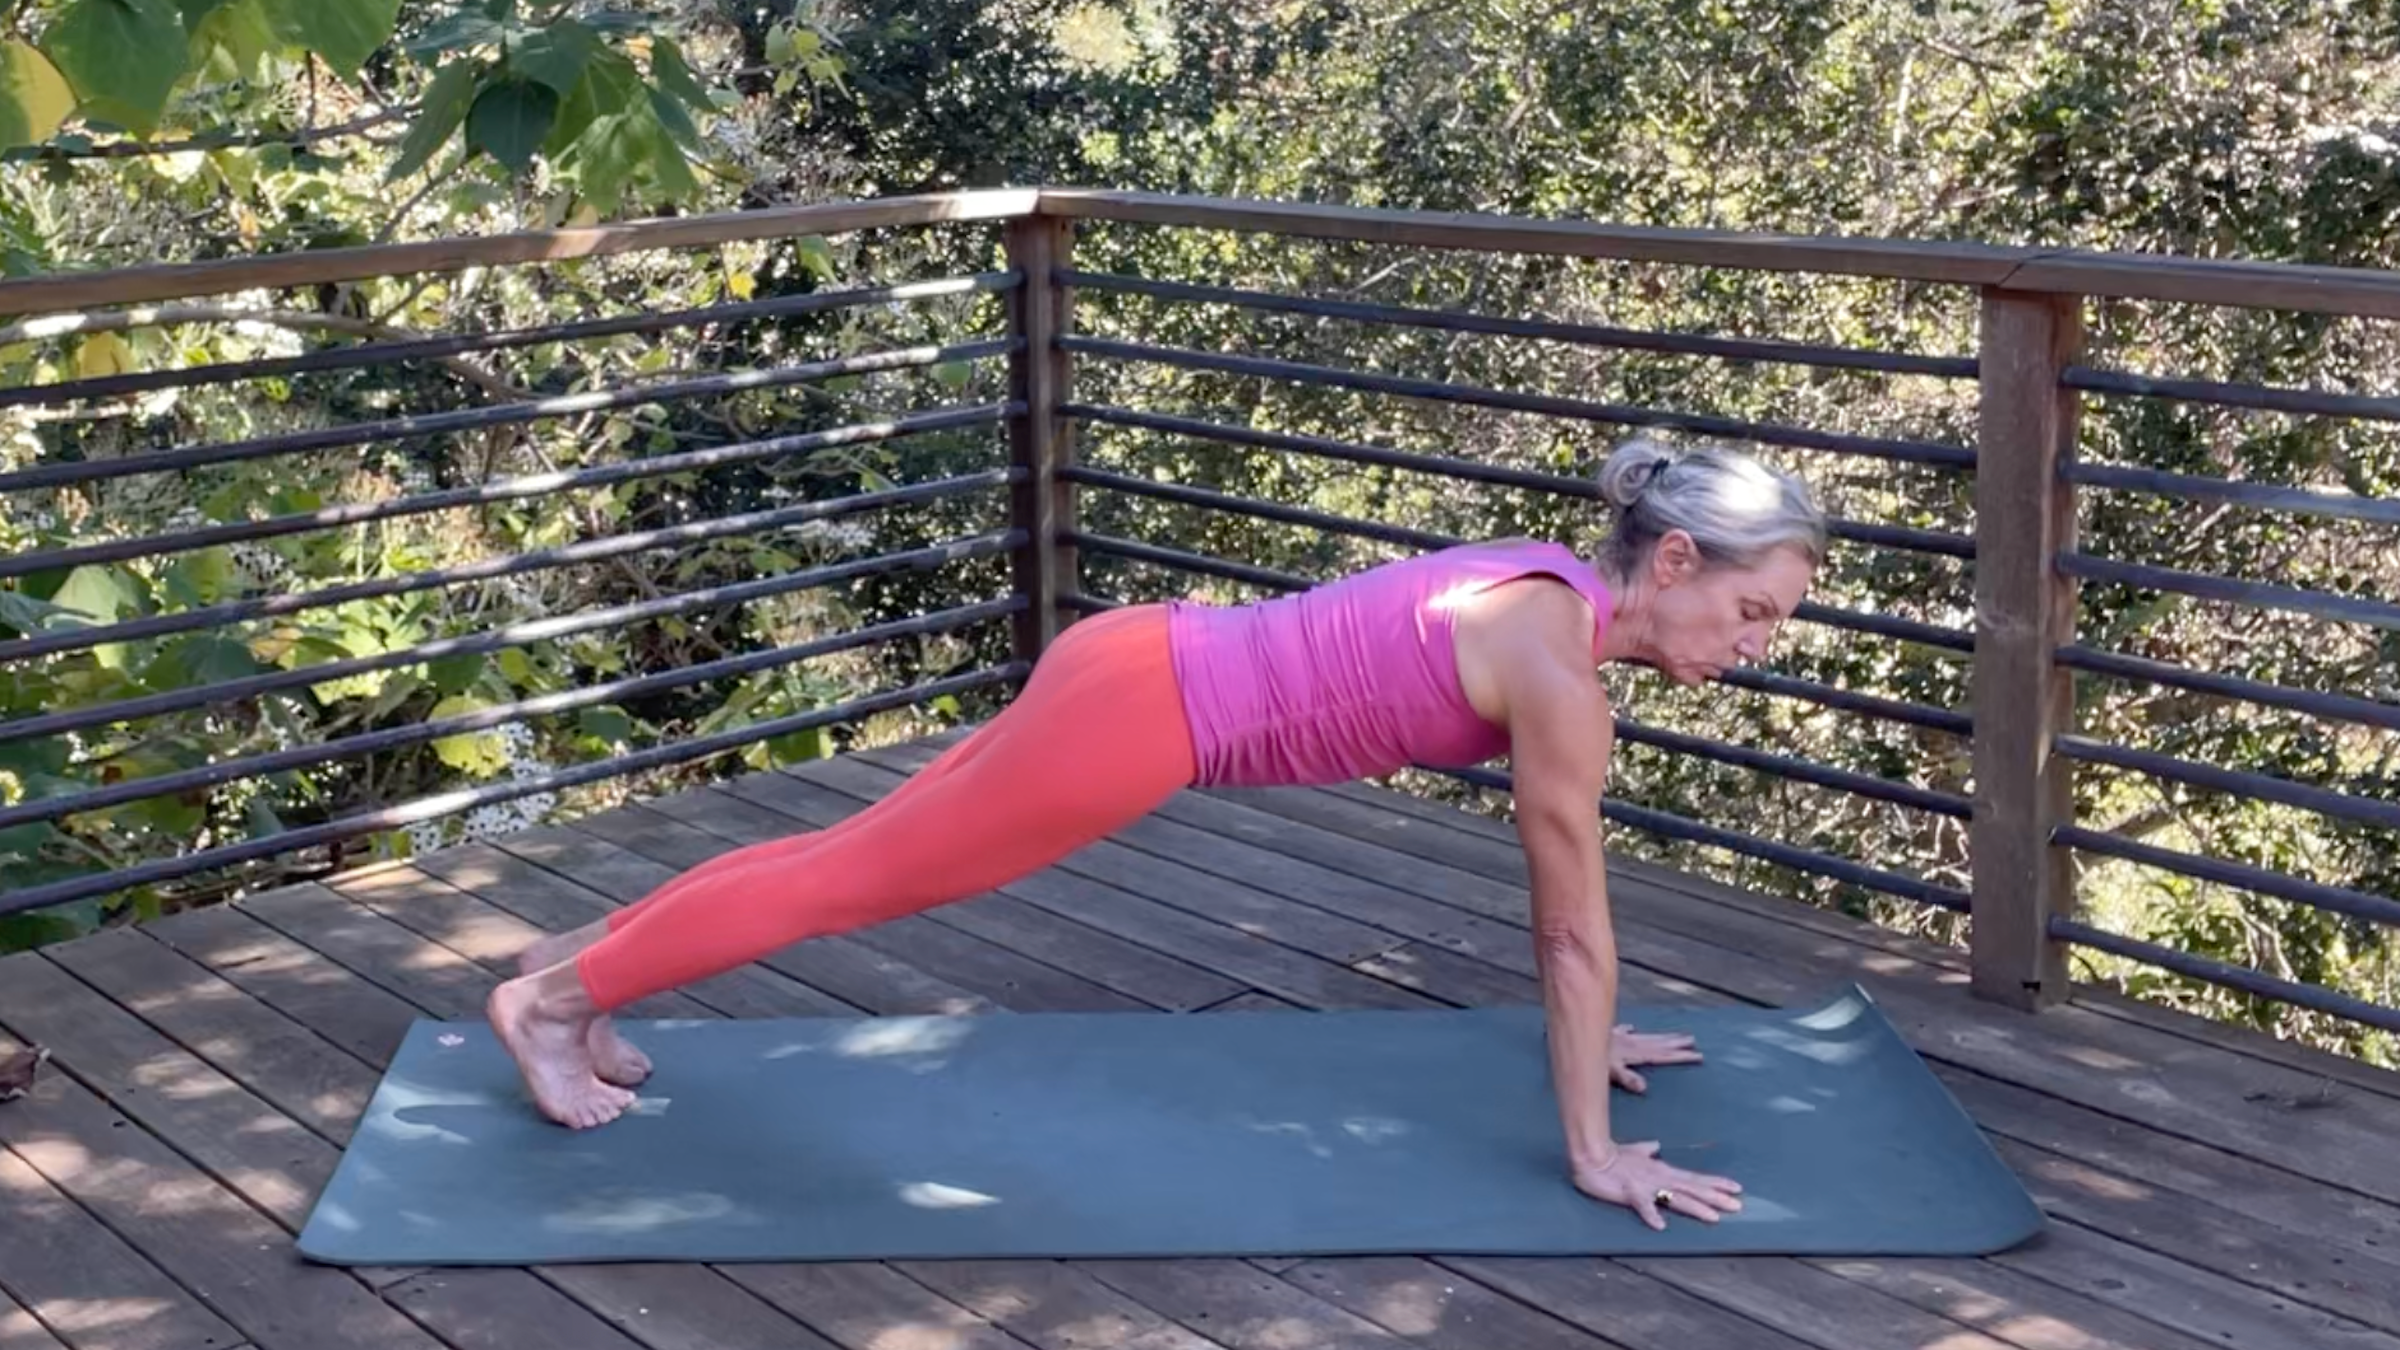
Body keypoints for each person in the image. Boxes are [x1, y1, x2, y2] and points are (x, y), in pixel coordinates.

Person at [487, 434, 1827, 1233]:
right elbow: (1570, 922)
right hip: (1148, 717)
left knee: (854, 847)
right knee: (850, 881)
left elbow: (1571, 936)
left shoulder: (1541, 579)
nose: (1758, 646)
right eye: (1756, 610)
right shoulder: (1565, 685)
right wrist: (1590, 1148)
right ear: (1671, 563)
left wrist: (1596, 1035)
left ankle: (586, 960)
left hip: (1139, 651)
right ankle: (553, 999)